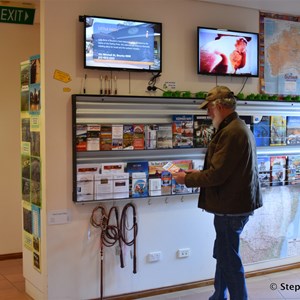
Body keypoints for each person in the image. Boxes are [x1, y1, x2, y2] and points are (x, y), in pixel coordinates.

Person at [172, 86, 263, 300]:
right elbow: (223, 171)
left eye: (209, 109)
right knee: (223, 255)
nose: (208, 114)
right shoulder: (235, 128)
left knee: (229, 261)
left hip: (230, 209)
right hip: (232, 206)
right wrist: (199, 173)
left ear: (219, 106)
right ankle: (218, 296)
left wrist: (187, 178)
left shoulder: (232, 132)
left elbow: (218, 176)